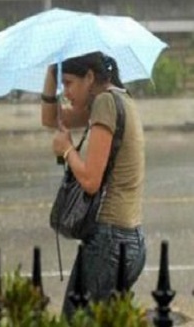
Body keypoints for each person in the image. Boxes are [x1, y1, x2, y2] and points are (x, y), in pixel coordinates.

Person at [41, 52, 146, 319]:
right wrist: (51, 75)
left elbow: (90, 181)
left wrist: (67, 150)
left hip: (109, 242)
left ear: (90, 77)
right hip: (130, 240)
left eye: (69, 83)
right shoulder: (121, 99)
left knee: (74, 320)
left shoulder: (104, 104)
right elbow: (51, 119)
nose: (66, 92)